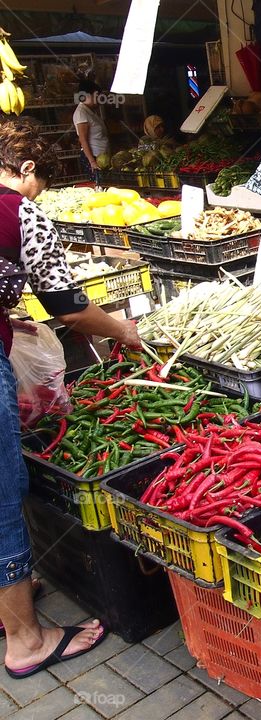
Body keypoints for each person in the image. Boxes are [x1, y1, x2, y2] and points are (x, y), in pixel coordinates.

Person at [0, 118, 140, 680]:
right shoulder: (17, 209)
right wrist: (122, 333)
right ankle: (27, 639)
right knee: (5, 495)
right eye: (41, 184)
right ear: (27, 170)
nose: (38, 196)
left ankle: (8, 605)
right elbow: (69, 306)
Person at [72, 79, 109, 184]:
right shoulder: (81, 113)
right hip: (94, 158)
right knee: (100, 187)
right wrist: (92, 161)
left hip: (101, 157)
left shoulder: (90, 111)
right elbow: (83, 139)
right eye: (98, 96)